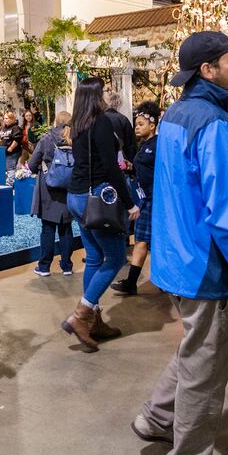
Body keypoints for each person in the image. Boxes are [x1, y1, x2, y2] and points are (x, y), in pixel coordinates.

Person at [133, 32, 228, 455]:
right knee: (206, 368)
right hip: (204, 265)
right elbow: (227, 211)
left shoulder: (177, 114)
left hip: (176, 259)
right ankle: (191, 452)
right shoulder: (212, 123)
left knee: (195, 350)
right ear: (208, 70)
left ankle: (156, 419)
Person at [60, 77, 139, 352]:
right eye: (104, 91)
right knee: (116, 257)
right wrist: (130, 203)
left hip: (76, 197)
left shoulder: (77, 125)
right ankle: (82, 314)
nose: (107, 95)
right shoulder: (101, 122)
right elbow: (111, 168)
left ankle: (93, 320)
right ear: (97, 95)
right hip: (96, 198)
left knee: (94, 257)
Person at [112, 101, 160, 296]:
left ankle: (132, 282)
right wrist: (130, 167)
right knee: (145, 240)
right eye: (136, 124)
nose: (137, 127)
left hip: (153, 201)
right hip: (144, 199)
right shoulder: (145, 145)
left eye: (141, 123)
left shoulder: (158, 145)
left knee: (143, 241)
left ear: (153, 124)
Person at [27, 111, 75, 277]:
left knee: (48, 229)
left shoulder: (46, 139)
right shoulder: (74, 139)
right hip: (68, 191)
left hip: (48, 191)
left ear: (55, 121)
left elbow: (32, 165)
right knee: (66, 229)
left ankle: (44, 266)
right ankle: (67, 266)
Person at [103, 90, 137, 167]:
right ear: (118, 103)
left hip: (103, 164)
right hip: (121, 163)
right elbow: (130, 146)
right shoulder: (123, 119)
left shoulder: (99, 119)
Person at [0, 110, 24, 174]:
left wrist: (11, 148)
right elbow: (0, 137)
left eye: (7, 118)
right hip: (2, 152)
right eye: (4, 118)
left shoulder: (15, 128)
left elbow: (17, 139)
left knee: (11, 169)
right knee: (5, 170)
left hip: (12, 153)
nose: (5, 120)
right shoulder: (3, 128)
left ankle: (11, 183)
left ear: (12, 119)